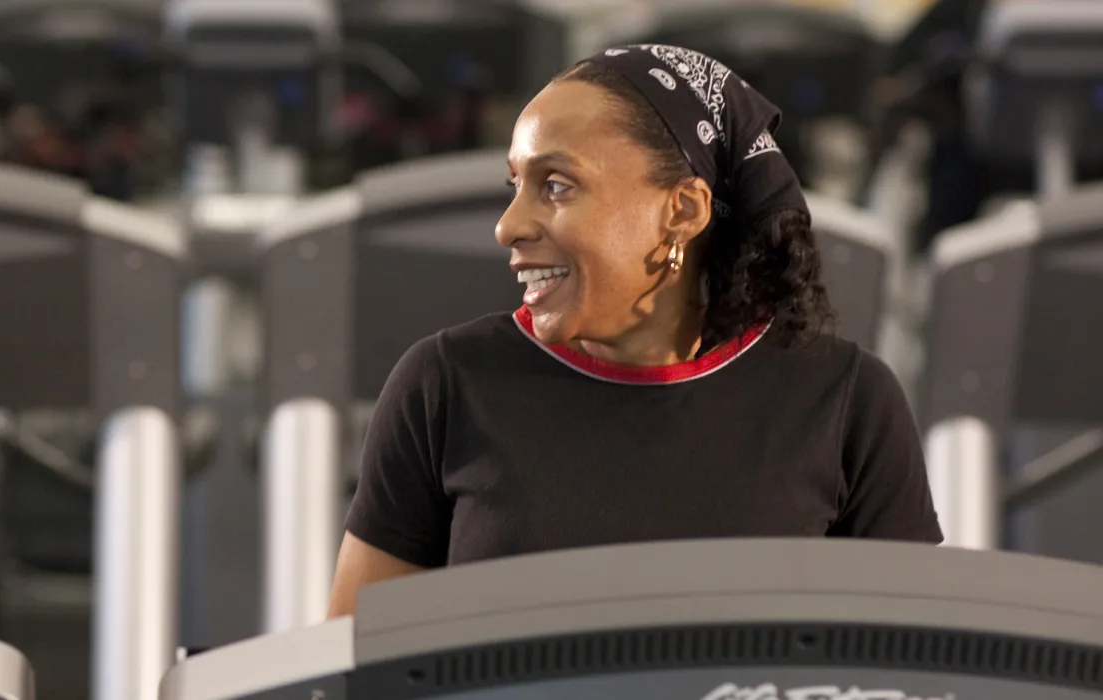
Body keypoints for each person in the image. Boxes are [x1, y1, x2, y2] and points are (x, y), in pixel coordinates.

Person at [327, 45, 942, 616]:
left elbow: (908, 667)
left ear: (683, 211)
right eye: (515, 186)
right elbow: (351, 671)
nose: (507, 226)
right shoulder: (443, 386)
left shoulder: (845, 400)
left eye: (557, 185)